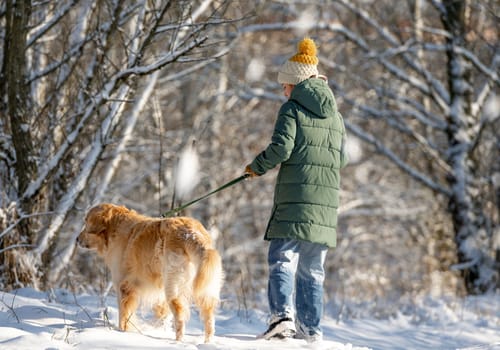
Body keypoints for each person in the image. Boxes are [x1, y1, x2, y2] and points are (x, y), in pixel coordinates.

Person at [244, 37, 348, 343]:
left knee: (282, 257)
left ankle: (282, 319)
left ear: (295, 83)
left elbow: (281, 148)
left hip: (295, 198)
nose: (283, 90)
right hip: (325, 203)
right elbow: (341, 157)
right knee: (313, 269)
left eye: (285, 85)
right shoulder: (336, 116)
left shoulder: (291, 110)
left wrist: (255, 167)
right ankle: (311, 330)